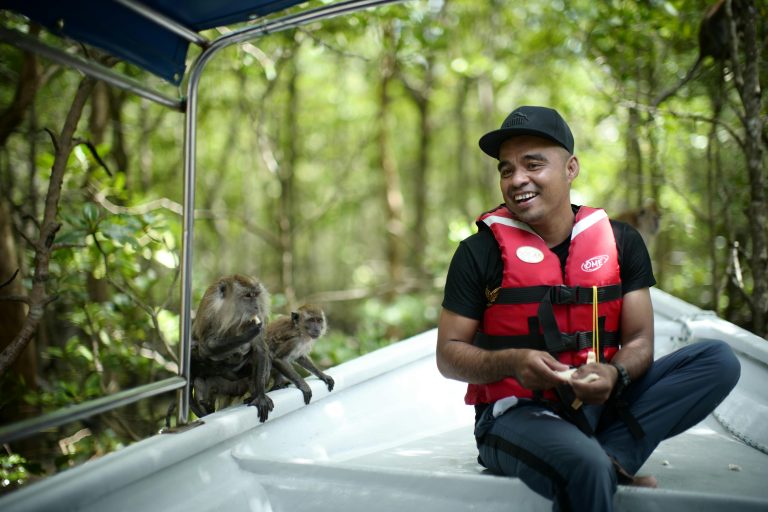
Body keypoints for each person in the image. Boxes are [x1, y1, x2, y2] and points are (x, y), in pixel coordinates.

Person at [435, 105, 741, 511]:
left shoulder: (621, 241)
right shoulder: (478, 253)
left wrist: (614, 373)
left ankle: (610, 454)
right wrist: (511, 361)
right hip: (515, 413)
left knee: (718, 360)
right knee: (586, 468)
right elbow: (448, 355)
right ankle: (600, 461)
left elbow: (639, 339)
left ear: (571, 168)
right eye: (506, 170)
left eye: (533, 164)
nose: (517, 179)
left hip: (600, 405)